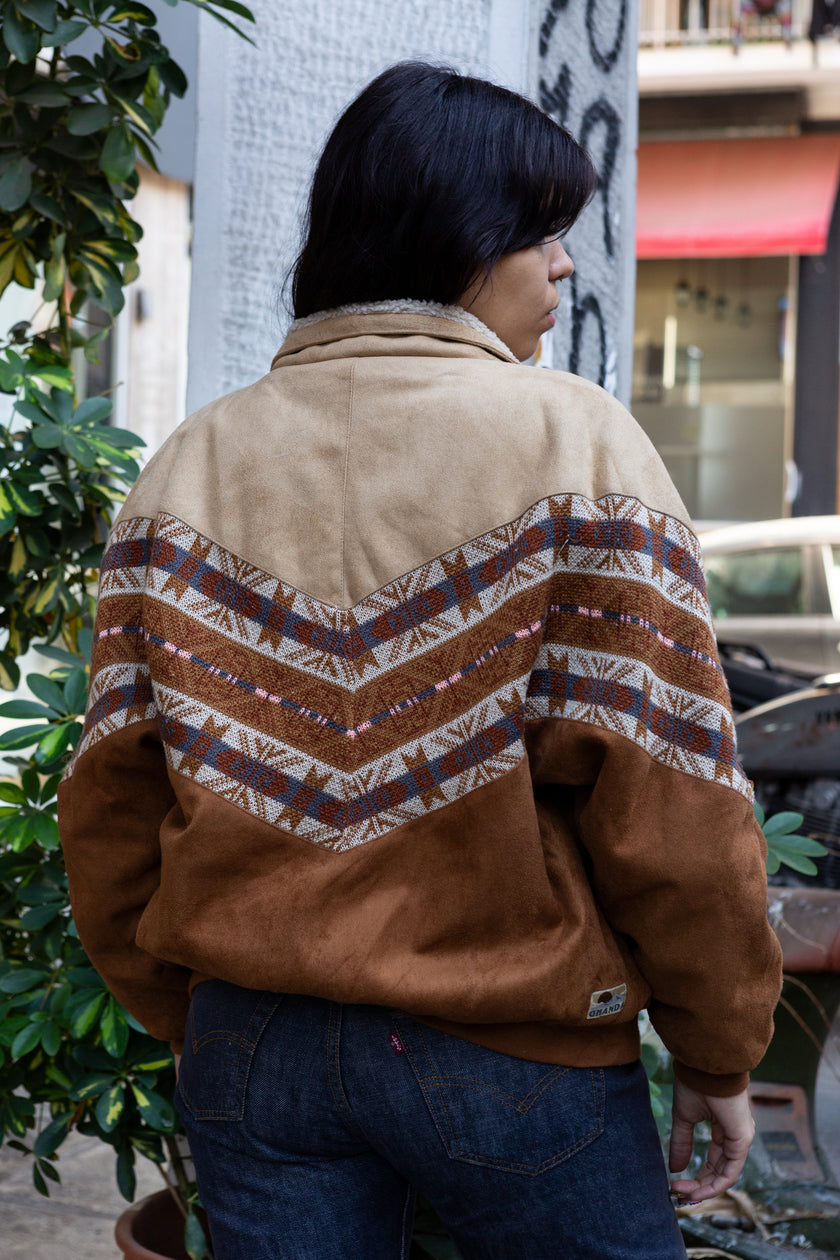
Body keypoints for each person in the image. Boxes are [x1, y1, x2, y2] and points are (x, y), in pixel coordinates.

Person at [59, 61, 782, 1260]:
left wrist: (193, 1011)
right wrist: (719, 1048)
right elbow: (674, 806)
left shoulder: (189, 466)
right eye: (542, 232)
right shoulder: (578, 444)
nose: (563, 265)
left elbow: (113, 799)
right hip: (511, 1042)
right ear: (458, 234)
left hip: (256, 1046)